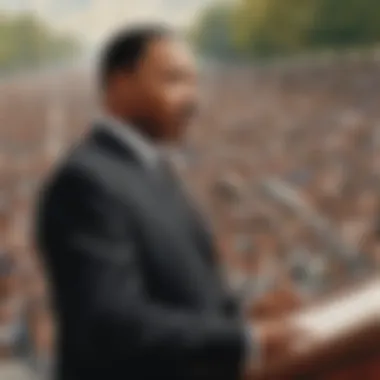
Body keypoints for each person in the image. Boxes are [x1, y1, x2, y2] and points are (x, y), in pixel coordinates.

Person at [35, 25, 302, 380]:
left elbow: (174, 296)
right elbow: (112, 323)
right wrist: (242, 339)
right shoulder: (85, 182)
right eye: (174, 80)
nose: (192, 98)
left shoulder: (151, 170)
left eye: (194, 82)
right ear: (119, 84)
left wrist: (241, 316)